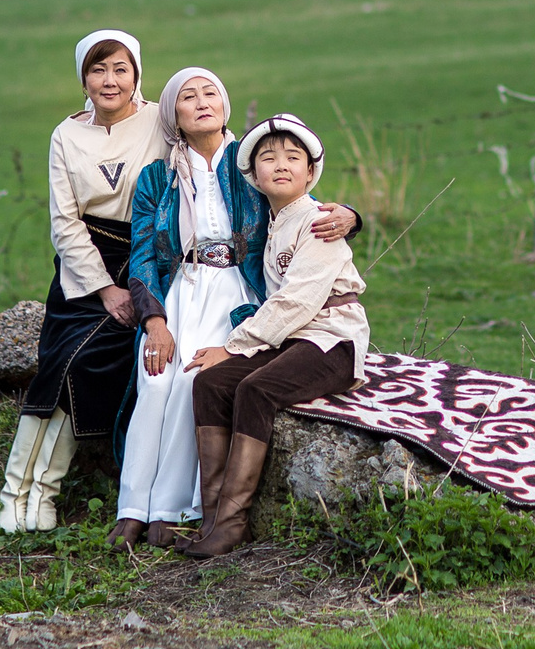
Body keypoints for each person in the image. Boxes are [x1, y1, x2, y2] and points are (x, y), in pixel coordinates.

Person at [113, 75, 359, 549]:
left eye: (211, 94)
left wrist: (350, 213)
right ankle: (131, 508)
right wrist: (154, 320)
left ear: (225, 106)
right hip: (180, 290)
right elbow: (143, 253)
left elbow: (299, 199)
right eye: (188, 97)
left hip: (238, 292)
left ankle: (172, 509)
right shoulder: (157, 177)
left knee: (191, 378)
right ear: (173, 114)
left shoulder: (247, 164)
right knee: (157, 377)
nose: (202, 103)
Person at [181, 111, 370, 559]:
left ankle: (232, 524)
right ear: (253, 175)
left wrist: (233, 345)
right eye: (267, 158)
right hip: (291, 338)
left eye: (292, 157)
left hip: (331, 340)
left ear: (310, 172)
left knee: (257, 389)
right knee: (209, 383)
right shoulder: (269, 224)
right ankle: (211, 519)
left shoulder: (321, 222)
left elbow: (299, 302)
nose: (280, 164)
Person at [0, 28, 162, 534]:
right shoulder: (65, 134)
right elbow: (65, 223)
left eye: (120, 69)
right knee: (58, 360)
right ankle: (18, 497)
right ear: (83, 78)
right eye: (97, 69)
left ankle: (36, 491)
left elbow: (225, 154)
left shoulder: (161, 120)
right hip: (85, 264)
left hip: (145, 259)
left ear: (136, 73)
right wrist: (102, 288)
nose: (109, 80)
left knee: (84, 358)